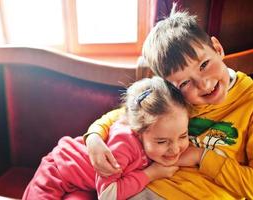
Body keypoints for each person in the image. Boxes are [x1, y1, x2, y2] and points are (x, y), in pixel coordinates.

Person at [83, 10, 253, 200]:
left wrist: (201, 157)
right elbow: (128, 113)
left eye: (204, 64)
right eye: (185, 82)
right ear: (171, 87)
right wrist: (94, 137)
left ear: (217, 48)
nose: (204, 84)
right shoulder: (177, 97)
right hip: (145, 191)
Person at [23, 76, 190, 199]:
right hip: (58, 171)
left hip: (85, 185)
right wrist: (151, 174)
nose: (175, 149)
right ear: (138, 132)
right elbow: (107, 195)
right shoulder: (124, 143)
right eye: (162, 141)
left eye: (183, 136)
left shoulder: (161, 132)